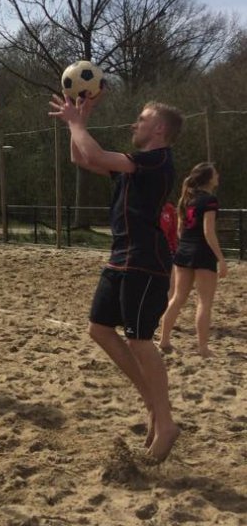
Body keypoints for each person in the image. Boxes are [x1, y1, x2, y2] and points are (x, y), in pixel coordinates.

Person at [50, 96, 184, 462]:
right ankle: (152, 402)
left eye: (142, 119)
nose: (134, 124)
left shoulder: (158, 159)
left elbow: (95, 153)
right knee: (99, 328)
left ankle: (166, 422)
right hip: (121, 256)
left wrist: (78, 123)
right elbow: (83, 158)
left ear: (159, 129)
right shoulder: (134, 166)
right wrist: (76, 124)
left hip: (145, 261)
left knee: (140, 340)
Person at [159, 163, 227, 357]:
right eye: (215, 173)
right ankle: (203, 348)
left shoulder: (186, 199)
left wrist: (186, 246)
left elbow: (180, 230)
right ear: (208, 178)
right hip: (202, 253)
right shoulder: (210, 200)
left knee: (177, 298)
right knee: (204, 302)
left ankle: (164, 340)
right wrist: (221, 259)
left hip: (184, 251)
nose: (218, 175)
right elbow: (208, 231)